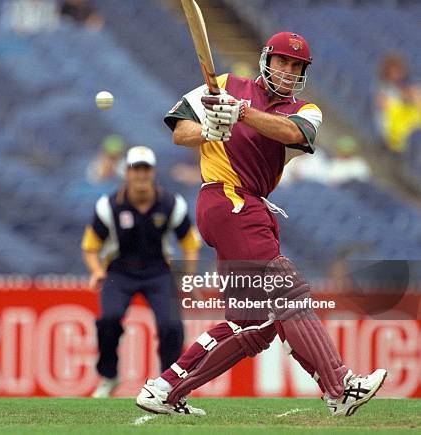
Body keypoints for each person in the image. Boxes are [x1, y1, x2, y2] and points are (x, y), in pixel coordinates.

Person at [135, 32, 386, 416]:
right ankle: (340, 385)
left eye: (296, 66)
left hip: (246, 206)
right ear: (266, 60)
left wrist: (241, 113)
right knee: (285, 290)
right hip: (229, 199)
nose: (288, 71)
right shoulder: (224, 85)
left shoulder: (306, 109)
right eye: (282, 62)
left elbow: (294, 134)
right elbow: (179, 131)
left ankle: (165, 389)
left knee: (252, 323)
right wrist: (208, 130)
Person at [81, 146, 201, 398]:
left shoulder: (170, 204)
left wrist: (187, 275)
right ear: (127, 172)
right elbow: (90, 247)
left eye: (145, 169)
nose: (141, 175)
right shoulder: (109, 206)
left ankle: (170, 384)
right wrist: (95, 271)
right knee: (108, 319)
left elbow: (189, 243)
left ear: (153, 172)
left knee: (171, 326)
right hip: (119, 271)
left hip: (158, 271)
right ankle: (109, 376)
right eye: (136, 169)